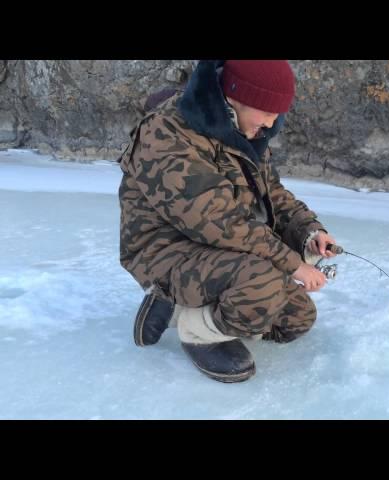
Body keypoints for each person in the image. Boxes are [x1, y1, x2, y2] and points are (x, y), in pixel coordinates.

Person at [118, 60, 337, 383]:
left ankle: (175, 306)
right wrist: (293, 264)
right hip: (166, 251)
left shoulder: (244, 128)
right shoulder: (166, 134)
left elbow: (271, 192)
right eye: (266, 113)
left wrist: (309, 232)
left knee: (296, 320)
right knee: (263, 285)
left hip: (220, 248)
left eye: (277, 114)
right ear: (236, 96)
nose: (271, 124)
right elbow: (218, 221)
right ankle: (197, 329)